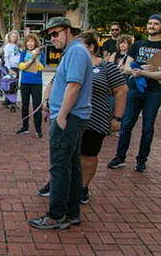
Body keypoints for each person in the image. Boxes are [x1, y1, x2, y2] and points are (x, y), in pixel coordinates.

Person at [38, 31, 126, 204]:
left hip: (95, 117)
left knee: (87, 154)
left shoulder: (107, 67)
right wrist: (47, 101)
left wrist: (117, 118)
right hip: (70, 117)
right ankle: (60, 187)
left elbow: (121, 91)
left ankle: (82, 187)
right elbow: (53, 83)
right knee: (67, 156)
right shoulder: (71, 60)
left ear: (92, 47)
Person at [28, 17, 92, 230]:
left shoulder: (75, 51)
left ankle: (56, 215)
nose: (52, 38)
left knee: (60, 167)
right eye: (50, 35)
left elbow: (74, 86)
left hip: (69, 118)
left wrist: (62, 115)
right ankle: (71, 213)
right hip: (72, 117)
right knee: (71, 166)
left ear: (68, 31)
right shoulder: (75, 51)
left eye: (56, 33)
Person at [107, 14, 161, 172]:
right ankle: (120, 157)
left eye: (156, 24)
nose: (152, 26)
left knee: (147, 127)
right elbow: (126, 68)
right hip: (134, 90)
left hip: (154, 93)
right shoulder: (137, 45)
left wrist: (141, 72)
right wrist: (140, 70)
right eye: (150, 23)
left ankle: (141, 160)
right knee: (126, 124)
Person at [16, 33, 45, 138]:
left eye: (32, 41)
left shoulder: (41, 53)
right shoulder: (23, 53)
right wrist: (31, 59)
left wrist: (36, 57)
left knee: (37, 107)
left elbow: (41, 68)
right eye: (28, 41)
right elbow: (22, 66)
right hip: (25, 82)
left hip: (36, 83)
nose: (30, 43)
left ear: (35, 43)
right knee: (25, 106)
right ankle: (25, 127)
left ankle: (38, 129)